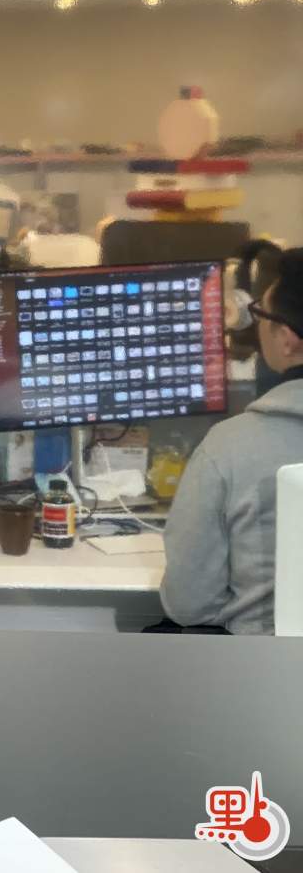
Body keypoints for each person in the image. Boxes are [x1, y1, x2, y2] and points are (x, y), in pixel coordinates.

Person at [160, 248, 303, 635]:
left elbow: (189, 603)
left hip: (259, 667)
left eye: (261, 314)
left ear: (288, 339)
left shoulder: (230, 447)